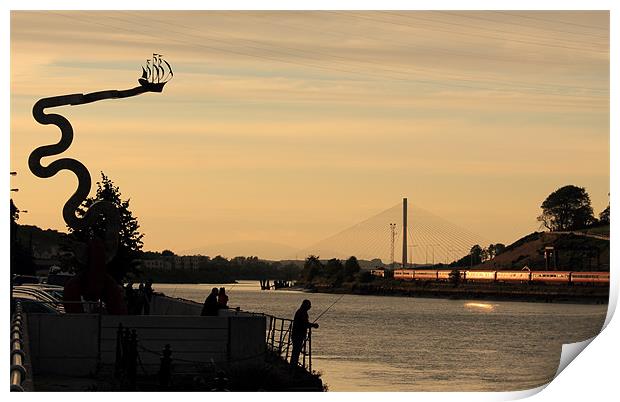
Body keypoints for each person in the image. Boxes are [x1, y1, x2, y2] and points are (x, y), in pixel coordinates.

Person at [290, 299, 319, 367]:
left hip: (297, 334)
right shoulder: (302, 313)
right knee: (296, 351)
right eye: (309, 305)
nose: (310, 307)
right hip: (298, 335)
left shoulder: (301, 312)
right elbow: (305, 323)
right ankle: (293, 366)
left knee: (296, 351)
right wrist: (313, 325)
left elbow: (304, 323)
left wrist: (310, 325)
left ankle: (293, 365)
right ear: (305, 305)